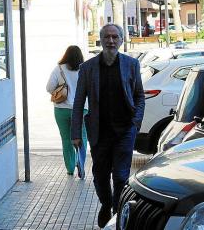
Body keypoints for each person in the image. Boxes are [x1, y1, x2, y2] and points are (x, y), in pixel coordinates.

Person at [71, 24, 145, 228]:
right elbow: (78, 102)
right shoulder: (88, 68)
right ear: (100, 40)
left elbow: (139, 96)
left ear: (121, 40)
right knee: (100, 177)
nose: (111, 41)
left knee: (121, 177)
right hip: (99, 133)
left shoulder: (132, 64)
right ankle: (106, 203)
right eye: (106, 37)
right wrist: (75, 133)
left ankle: (116, 211)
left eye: (115, 37)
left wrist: (135, 123)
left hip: (125, 131)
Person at [46, 45, 88, 179]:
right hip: (82, 109)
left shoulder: (59, 69)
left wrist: (60, 90)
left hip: (61, 109)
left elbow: (49, 87)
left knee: (66, 139)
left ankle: (70, 168)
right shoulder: (85, 69)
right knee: (82, 138)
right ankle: (80, 164)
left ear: (66, 55)